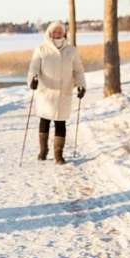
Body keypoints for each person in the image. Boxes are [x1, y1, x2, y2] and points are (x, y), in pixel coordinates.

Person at [27, 21, 86, 165]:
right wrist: (32, 80)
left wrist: (81, 85)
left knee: (60, 123)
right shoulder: (41, 49)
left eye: (60, 31)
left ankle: (58, 154)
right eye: (55, 31)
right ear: (49, 32)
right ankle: (43, 150)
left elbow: (78, 70)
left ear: (64, 33)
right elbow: (33, 68)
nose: (57, 33)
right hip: (46, 92)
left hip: (64, 92)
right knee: (44, 121)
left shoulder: (71, 50)